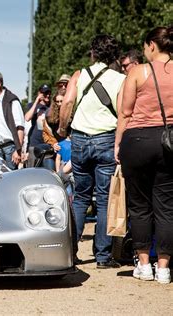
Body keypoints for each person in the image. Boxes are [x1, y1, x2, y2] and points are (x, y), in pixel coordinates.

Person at [58, 34, 126, 269]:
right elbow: (123, 113)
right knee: (105, 199)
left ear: (93, 52)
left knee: (80, 198)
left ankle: (70, 252)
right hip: (106, 139)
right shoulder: (121, 79)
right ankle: (103, 257)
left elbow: (67, 103)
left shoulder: (80, 74)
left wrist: (62, 127)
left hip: (79, 139)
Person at [116, 26, 173, 284]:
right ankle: (164, 268)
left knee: (139, 207)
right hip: (169, 142)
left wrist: (118, 144)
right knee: (166, 208)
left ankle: (143, 265)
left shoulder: (139, 72)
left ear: (151, 44)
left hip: (138, 140)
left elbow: (125, 113)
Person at [25, 84, 53, 168]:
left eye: (49, 93)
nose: (47, 95)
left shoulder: (52, 106)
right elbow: (27, 118)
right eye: (45, 93)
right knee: (31, 172)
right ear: (39, 93)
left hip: (48, 144)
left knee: (48, 171)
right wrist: (37, 101)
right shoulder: (32, 105)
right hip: (34, 144)